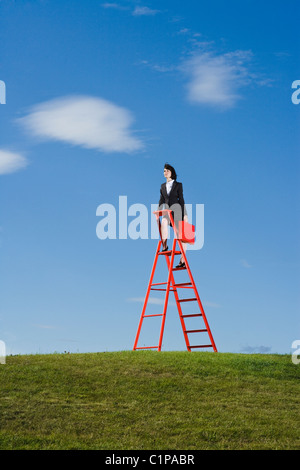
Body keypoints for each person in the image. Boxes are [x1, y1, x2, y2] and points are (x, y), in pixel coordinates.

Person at [158, 163, 188, 268]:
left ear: (172, 173)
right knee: (164, 222)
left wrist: (185, 214)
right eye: (164, 171)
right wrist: (158, 211)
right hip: (167, 212)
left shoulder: (178, 185)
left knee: (180, 236)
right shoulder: (162, 186)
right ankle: (165, 246)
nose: (165, 172)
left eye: (167, 170)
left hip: (178, 211)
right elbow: (161, 200)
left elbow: (182, 199)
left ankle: (182, 260)